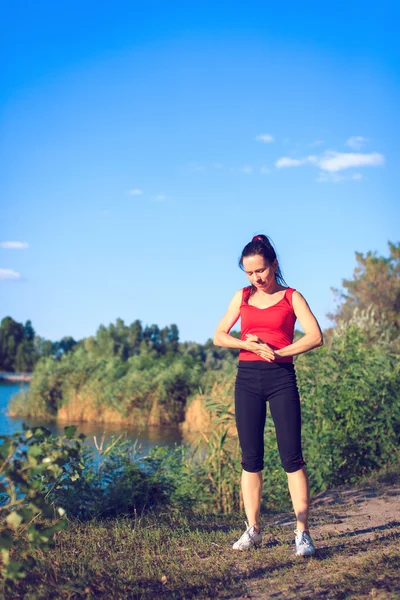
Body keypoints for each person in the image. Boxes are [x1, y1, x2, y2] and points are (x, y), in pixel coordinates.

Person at [213, 234, 323, 557]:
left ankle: (302, 533)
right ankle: (253, 529)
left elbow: (316, 336)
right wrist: (245, 344)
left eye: (260, 270)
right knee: (250, 459)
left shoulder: (292, 297)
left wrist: (281, 352)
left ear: (274, 264)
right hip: (246, 379)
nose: (256, 278)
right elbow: (219, 336)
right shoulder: (242, 297)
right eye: (249, 273)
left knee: (292, 457)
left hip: (281, 378)